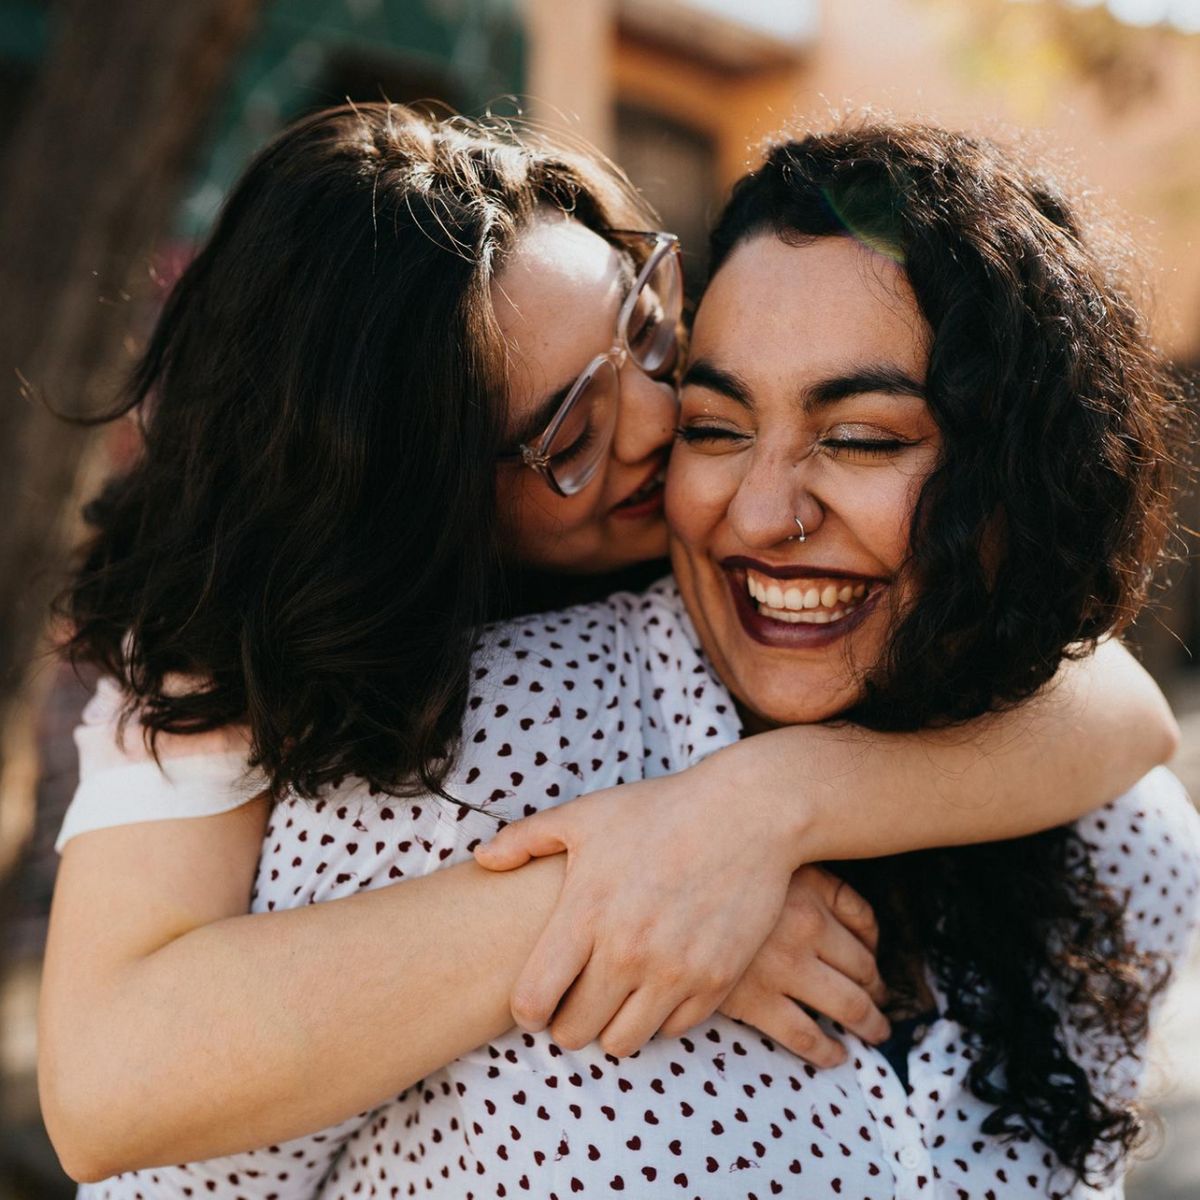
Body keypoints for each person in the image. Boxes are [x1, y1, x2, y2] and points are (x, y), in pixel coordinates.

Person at [39, 108, 1184, 1194]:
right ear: (426, 516)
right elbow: (108, 1088)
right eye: (568, 435)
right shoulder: (273, 674)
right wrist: (616, 899)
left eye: (645, 332)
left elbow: (1117, 707)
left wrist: (760, 811)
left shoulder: (726, 517)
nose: (657, 422)